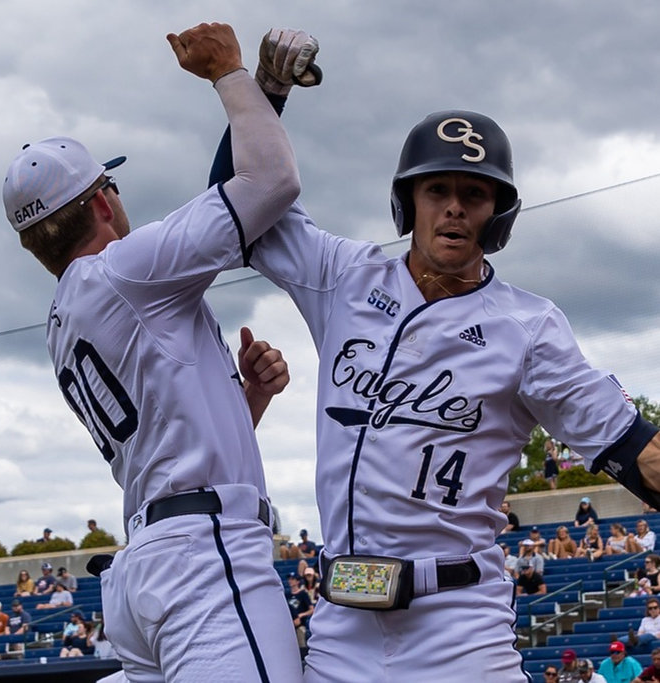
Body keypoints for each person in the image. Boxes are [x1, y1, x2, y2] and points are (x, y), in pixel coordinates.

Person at [209, 28, 660, 683]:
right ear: (408, 200)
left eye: (473, 192)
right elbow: (232, 209)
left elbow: (634, 449)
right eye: (436, 188)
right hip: (341, 625)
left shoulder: (527, 326)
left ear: (496, 212)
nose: (453, 206)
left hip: (458, 630)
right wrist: (264, 94)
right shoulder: (342, 277)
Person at [1, 21, 302, 683]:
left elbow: (169, 447)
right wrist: (232, 73)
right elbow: (268, 182)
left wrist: (243, 399)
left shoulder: (67, 312)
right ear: (103, 200)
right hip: (202, 560)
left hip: (150, 563)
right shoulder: (123, 273)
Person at [286, 572, 314, 652]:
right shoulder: (287, 595)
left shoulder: (303, 594)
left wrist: (301, 615)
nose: (290, 581)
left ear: (297, 581)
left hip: (300, 625)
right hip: (289, 625)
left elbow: (311, 609)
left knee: (302, 647)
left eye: (292, 579)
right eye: (289, 579)